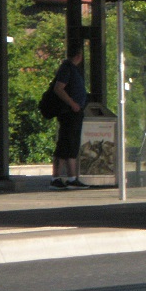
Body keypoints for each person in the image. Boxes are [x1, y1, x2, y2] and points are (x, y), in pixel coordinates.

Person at [50, 40, 88, 189]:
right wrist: (73, 104)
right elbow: (58, 88)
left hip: (74, 112)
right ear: (79, 55)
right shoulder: (67, 68)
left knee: (71, 144)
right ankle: (56, 177)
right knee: (65, 143)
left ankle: (72, 177)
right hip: (69, 112)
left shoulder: (70, 68)